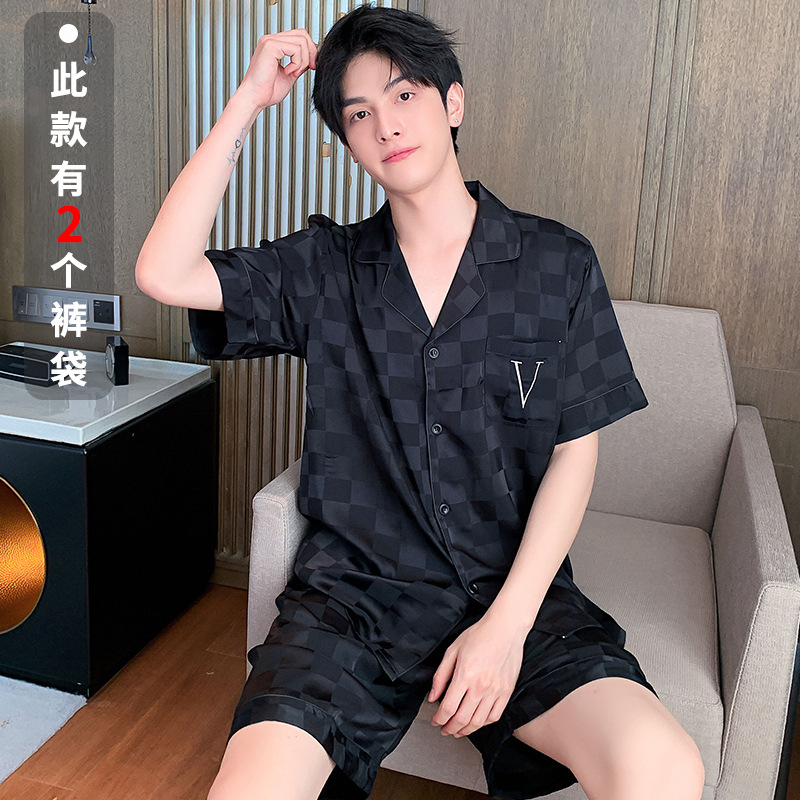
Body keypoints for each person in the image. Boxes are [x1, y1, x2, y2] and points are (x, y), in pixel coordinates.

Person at [135, 5, 705, 800]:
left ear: (453, 101)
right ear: (347, 142)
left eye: (404, 95)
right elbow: (164, 272)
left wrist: (506, 628)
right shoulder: (325, 269)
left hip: (509, 590)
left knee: (665, 767)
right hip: (352, 603)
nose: (386, 125)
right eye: (358, 113)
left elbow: (575, 450)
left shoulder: (557, 263)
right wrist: (247, 101)